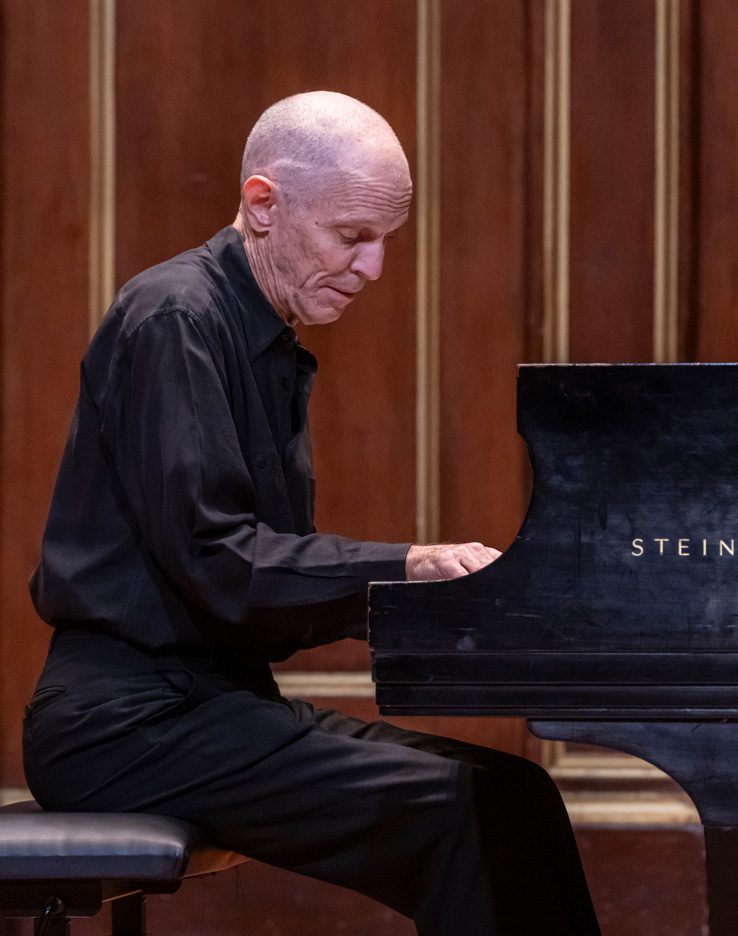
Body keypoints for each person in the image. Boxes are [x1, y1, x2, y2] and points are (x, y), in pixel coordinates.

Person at [23, 91, 600, 935]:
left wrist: (442, 597)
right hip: (125, 727)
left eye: (385, 240)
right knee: (458, 814)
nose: (373, 268)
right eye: (353, 236)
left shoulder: (263, 336)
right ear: (264, 204)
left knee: (516, 796)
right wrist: (410, 569)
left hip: (212, 704)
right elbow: (223, 567)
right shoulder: (175, 318)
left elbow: (260, 594)